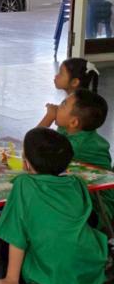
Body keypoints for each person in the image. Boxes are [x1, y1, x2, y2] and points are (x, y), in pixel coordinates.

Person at [0, 128, 108, 284]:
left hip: (51, 274)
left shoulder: (24, 184)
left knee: (5, 246)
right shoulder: (77, 182)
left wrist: (11, 279)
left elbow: (16, 234)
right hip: (89, 265)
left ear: (26, 163)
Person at [38, 89, 113, 228]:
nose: (57, 106)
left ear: (73, 122)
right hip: (80, 191)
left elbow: (34, 148)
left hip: (99, 206)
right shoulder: (70, 129)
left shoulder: (77, 145)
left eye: (63, 104)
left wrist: (48, 117)